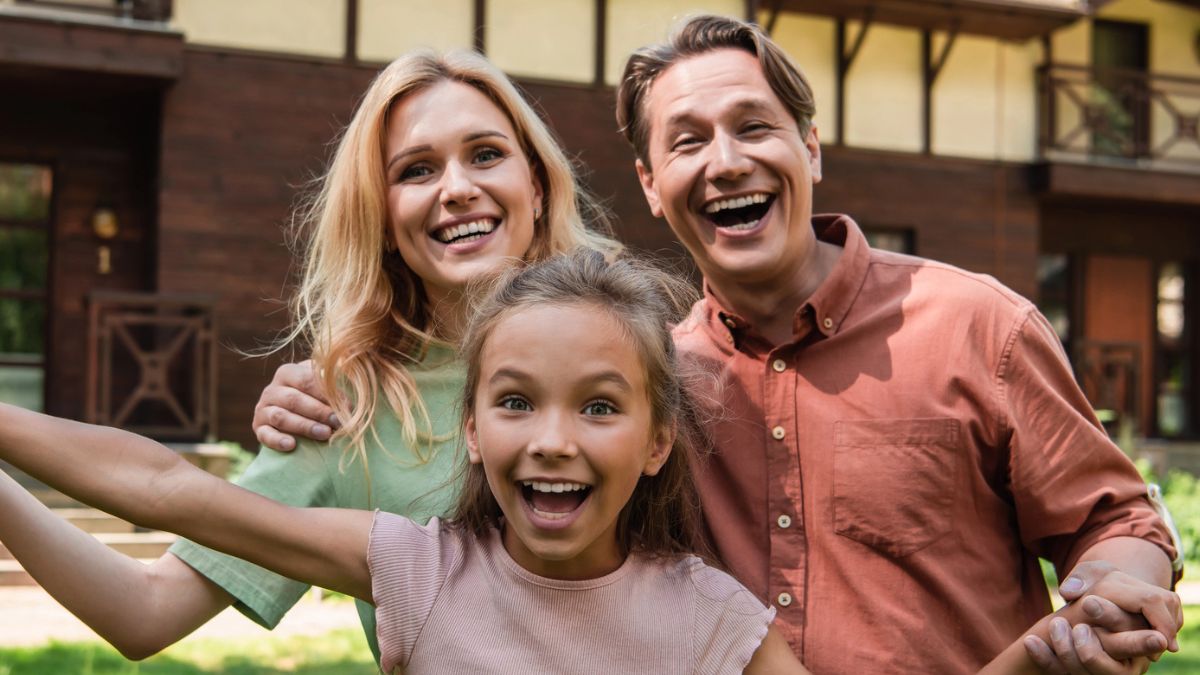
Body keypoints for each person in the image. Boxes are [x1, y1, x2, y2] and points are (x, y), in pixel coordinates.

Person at [258, 15, 1183, 675]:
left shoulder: (978, 324)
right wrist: (339, 378)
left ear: (811, 147)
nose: (725, 160)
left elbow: (1120, 520)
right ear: (654, 186)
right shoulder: (644, 380)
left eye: (753, 126)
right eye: (688, 141)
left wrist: (1110, 588)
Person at [0, 48, 620, 663]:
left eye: (485, 154)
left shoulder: (640, 354)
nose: (457, 188)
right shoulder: (343, 410)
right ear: (381, 218)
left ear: (535, 186)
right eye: (416, 171)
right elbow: (146, 609)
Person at [0, 252, 805, 674]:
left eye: (598, 406)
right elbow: (168, 487)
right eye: (516, 402)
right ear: (471, 429)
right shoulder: (418, 571)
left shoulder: (714, 621)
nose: (552, 439)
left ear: (658, 440)